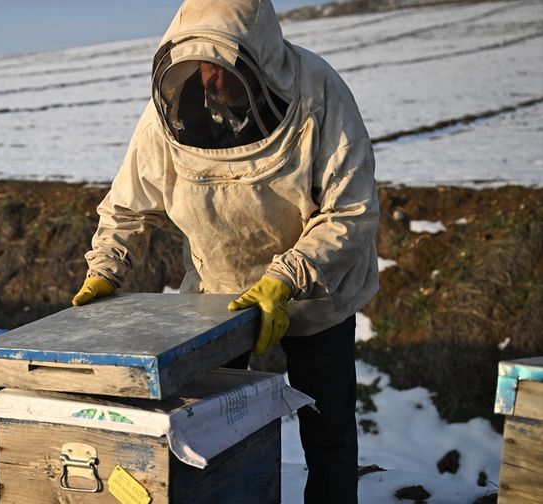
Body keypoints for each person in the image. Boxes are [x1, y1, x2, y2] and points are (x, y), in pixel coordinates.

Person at [71, 0, 379, 502]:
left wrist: (288, 277)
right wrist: (107, 267)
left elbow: (351, 211)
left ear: (257, 57)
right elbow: (128, 206)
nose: (209, 79)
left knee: (328, 430)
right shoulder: (166, 114)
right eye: (197, 67)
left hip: (316, 292)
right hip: (218, 295)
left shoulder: (319, 93)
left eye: (222, 66)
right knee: (211, 424)